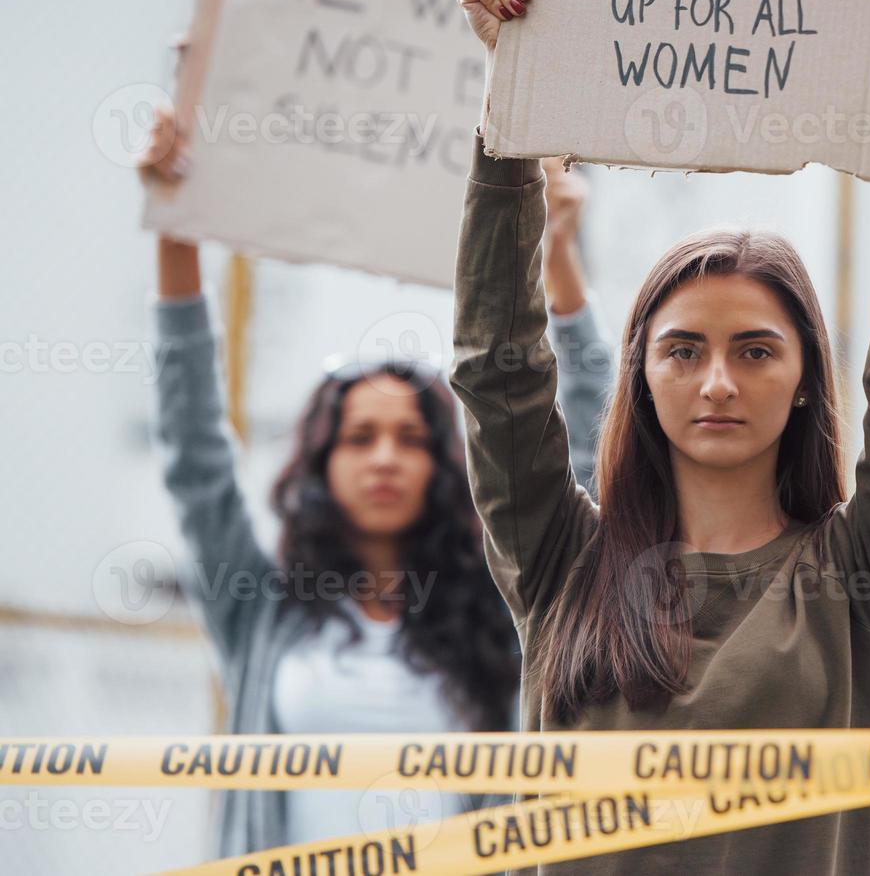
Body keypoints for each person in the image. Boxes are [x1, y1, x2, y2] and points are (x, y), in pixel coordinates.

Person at [450, 0, 870, 875]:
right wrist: (510, 120)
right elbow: (498, 374)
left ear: (807, 380)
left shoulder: (863, 574)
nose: (718, 382)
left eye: (756, 350)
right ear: (639, 374)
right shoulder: (558, 561)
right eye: (683, 350)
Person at [138, 101, 612, 857]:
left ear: (444, 463)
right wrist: (176, 227)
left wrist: (553, 254)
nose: (386, 456)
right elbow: (194, 454)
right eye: (360, 437)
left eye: (411, 438)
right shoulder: (262, 612)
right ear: (321, 464)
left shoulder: (503, 616)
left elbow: (592, 453)